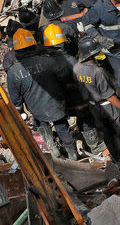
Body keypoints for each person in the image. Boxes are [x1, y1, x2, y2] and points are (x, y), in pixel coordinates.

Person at [7, 29, 77, 160]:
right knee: (62, 127)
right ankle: (73, 156)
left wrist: (21, 111)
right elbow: (63, 80)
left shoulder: (13, 72)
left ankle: (54, 153)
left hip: (36, 109)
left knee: (42, 125)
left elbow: (16, 100)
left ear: (16, 50)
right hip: (56, 104)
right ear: (34, 45)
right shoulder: (49, 61)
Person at [73, 37, 120, 171]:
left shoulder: (77, 68)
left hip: (93, 106)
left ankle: (119, 161)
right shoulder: (98, 71)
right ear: (92, 54)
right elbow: (109, 96)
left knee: (107, 133)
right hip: (108, 106)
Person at [43, 24, 106, 155]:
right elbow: (80, 78)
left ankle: (79, 147)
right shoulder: (69, 60)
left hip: (59, 99)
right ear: (62, 42)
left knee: (72, 121)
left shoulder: (45, 61)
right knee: (85, 119)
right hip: (75, 96)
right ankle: (95, 146)